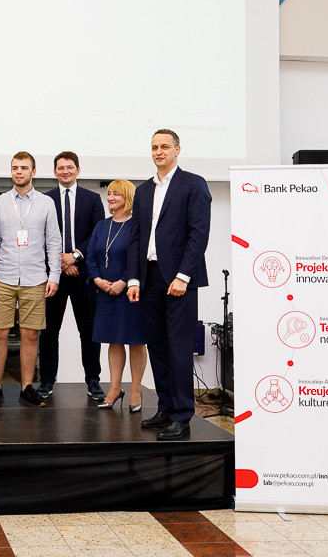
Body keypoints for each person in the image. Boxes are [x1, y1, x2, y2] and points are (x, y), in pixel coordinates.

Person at [124, 130, 211, 440]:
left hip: (179, 280)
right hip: (149, 278)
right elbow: (136, 237)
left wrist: (183, 276)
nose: (158, 151)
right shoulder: (144, 190)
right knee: (158, 347)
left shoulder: (193, 184)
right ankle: (166, 408)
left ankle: (182, 416)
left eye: (164, 147)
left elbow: (199, 234)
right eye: (154, 147)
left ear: (177, 150)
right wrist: (134, 278)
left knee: (179, 349)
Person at [0, 152, 61, 407]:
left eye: (24, 168)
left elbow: (53, 241)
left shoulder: (46, 203)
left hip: (35, 277)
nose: (19, 172)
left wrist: (54, 275)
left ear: (33, 172)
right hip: (3, 276)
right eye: (15, 168)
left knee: (30, 335)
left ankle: (27, 387)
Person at [39, 151, 105, 400]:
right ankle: (47, 381)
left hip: (83, 274)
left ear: (78, 170)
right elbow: (40, 234)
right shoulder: (45, 199)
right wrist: (62, 261)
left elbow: (97, 233)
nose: (65, 171)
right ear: (54, 172)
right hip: (53, 275)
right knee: (49, 331)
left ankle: (93, 380)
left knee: (88, 330)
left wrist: (75, 256)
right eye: (60, 168)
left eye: (69, 167)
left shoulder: (92, 199)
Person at [86, 180, 148, 411]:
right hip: (105, 292)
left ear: (128, 197)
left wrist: (124, 281)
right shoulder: (102, 225)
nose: (110, 198)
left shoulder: (137, 225)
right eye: (109, 193)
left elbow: (140, 257)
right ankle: (114, 388)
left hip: (130, 291)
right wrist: (97, 279)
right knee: (114, 340)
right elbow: (91, 256)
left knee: (136, 341)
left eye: (116, 194)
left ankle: (135, 390)